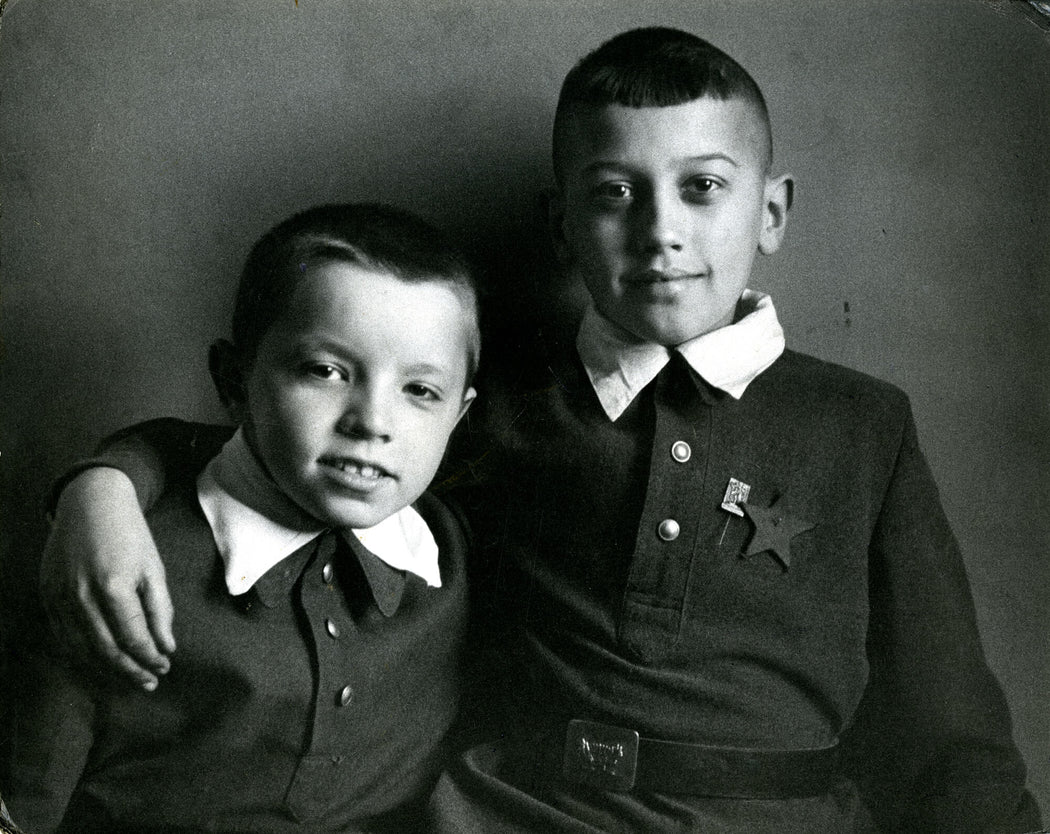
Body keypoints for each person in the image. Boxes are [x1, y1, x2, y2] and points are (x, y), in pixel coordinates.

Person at [31, 28, 1041, 833]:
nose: (662, 230)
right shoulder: (493, 406)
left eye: (703, 187)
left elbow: (951, 723)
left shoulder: (862, 425)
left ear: (770, 212)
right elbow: (264, 451)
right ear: (562, 227)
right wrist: (100, 486)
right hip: (516, 812)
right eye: (615, 195)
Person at [0, 203, 480, 833]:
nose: (372, 422)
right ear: (234, 380)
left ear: (461, 415)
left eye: (420, 390)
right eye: (326, 371)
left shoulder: (452, 551)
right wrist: (100, 485)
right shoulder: (124, 562)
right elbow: (25, 806)